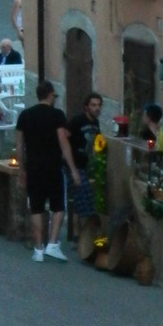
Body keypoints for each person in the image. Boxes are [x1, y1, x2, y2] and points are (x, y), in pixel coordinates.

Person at [15, 80, 81, 262]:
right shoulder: (57, 115)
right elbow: (63, 143)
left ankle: (38, 249)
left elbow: (19, 145)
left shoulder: (25, 115)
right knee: (58, 206)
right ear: (50, 95)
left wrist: (22, 169)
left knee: (36, 207)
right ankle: (52, 243)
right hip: (52, 166)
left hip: (33, 166)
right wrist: (73, 169)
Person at [66, 92, 103, 235]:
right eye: (93, 105)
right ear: (86, 107)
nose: (97, 108)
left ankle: (78, 236)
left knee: (79, 201)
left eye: (99, 105)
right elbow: (64, 139)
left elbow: (96, 143)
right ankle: (82, 235)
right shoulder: (77, 121)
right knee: (83, 199)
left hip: (85, 165)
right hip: (73, 165)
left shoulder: (95, 123)